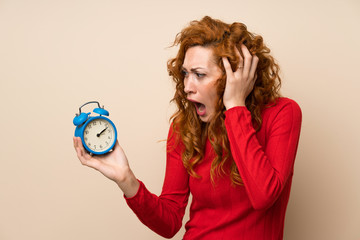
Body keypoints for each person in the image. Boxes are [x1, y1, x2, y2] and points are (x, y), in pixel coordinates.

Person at [73, 16, 302, 240]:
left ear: (234, 77)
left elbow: (264, 196)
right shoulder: (185, 127)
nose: (186, 87)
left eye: (199, 75)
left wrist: (235, 107)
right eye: (185, 74)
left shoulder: (283, 113)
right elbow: (169, 222)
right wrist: (126, 179)